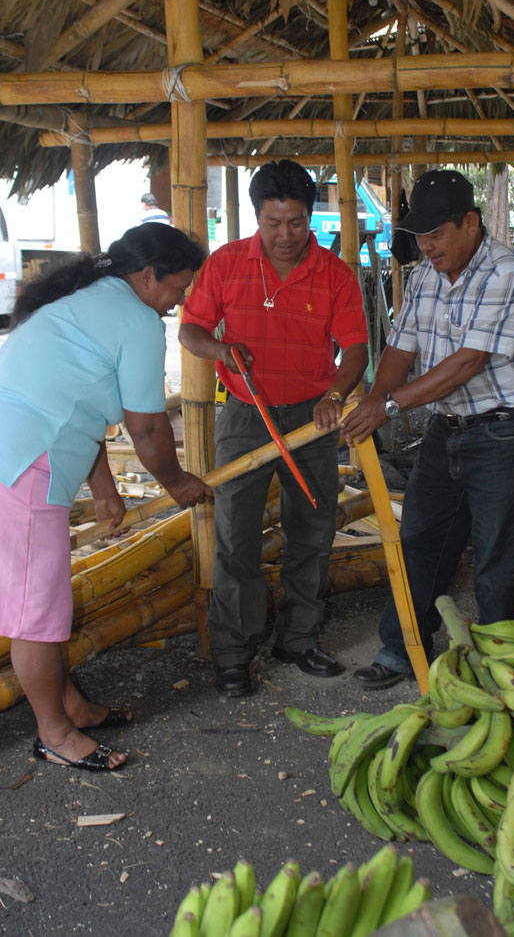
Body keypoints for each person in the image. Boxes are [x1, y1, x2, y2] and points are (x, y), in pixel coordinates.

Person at [0, 223, 213, 771]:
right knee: (35, 613)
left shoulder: (88, 301)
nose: (179, 300)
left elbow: (81, 400)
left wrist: (104, 489)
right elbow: (146, 429)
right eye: (177, 287)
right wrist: (177, 482)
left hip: (23, 452)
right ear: (147, 276)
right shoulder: (137, 321)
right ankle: (53, 735)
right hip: (24, 464)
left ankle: (69, 705)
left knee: (42, 603)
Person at [341, 169, 514, 690]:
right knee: (420, 539)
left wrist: (387, 406)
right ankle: (400, 646)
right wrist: (371, 403)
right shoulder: (425, 277)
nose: (426, 247)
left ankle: (499, 668)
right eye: (419, 237)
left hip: (506, 431)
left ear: (471, 223)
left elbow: (468, 362)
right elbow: (399, 349)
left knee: (498, 553)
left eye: (436, 234)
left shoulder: (507, 271)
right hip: (446, 429)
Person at [179, 159, 369, 698]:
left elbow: (356, 347)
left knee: (312, 527)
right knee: (235, 534)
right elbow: (191, 330)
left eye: (296, 223)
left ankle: (299, 639)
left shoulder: (335, 274)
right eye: (272, 223)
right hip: (244, 413)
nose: (285, 236)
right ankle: (234, 653)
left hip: (313, 415)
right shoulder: (225, 263)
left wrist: (334, 395)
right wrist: (221, 351)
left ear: (311, 216)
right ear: (257, 217)